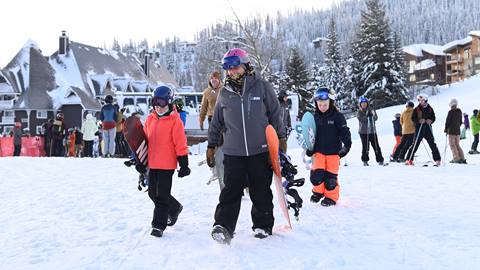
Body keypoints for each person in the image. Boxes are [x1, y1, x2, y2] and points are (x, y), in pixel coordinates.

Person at [207, 48, 286, 243]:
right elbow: (217, 121)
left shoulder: (262, 87)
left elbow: (276, 115)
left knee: (260, 190)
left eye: (234, 67)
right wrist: (211, 145)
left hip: (260, 150)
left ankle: (262, 225)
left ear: (245, 65)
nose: (231, 72)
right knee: (230, 190)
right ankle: (223, 226)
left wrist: (280, 141)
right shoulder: (224, 93)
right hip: (233, 152)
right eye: (228, 68)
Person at [139, 85, 190, 238]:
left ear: (169, 102)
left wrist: (184, 164)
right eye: (155, 103)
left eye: (162, 103)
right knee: (152, 193)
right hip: (152, 163)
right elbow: (145, 140)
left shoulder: (175, 121)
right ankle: (174, 208)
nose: (159, 107)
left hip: (167, 164)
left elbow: (180, 143)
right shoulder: (150, 119)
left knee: (161, 196)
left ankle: (158, 225)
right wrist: (139, 159)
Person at [306, 88, 351, 207]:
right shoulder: (314, 118)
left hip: (333, 152)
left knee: (330, 179)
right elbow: (310, 136)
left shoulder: (337, 116)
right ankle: (318, 192)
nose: (322, 107)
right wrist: (309, 148)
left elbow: (344, 132)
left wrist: (346, 145)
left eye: (325, 104)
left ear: (330, 102)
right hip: (318, 152)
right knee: (316, 176)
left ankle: (331, 197)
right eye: (319, 104)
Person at [405, 94, 441, 166]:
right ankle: (409, 159)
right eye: (419, 100)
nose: (421, 102)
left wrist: (430, 120)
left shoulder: (430, 108)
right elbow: (413, 118)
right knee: (415, 144)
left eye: (422, 100)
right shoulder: (416, 109)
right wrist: (418, 121)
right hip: (419, 128)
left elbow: (433, 117)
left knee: (432, 144)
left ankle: (437, 159)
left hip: (427, 128)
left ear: (426, 100)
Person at [357, 96, 384, 166]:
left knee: (376, 145)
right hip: (363, 132)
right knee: (365, 146)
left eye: (365, 103)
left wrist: (373, 115)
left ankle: (380, 160)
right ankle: (365, 160)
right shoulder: (359, 111)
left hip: (372, 131)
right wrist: (367, 115)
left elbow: (376, 118)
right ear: (360, 104)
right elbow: (361, 120)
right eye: (362, 103)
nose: (364, 104)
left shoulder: (371, 109)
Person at [444, 98, 466, 164]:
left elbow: (447, 121)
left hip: (451, 131)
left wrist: (446, 129)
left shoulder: (450, 112)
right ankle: (462, 158)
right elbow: (460, 121)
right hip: (457, 131)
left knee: (452, 145)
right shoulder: (459, 111)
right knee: (457, 145)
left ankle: (456, 158)